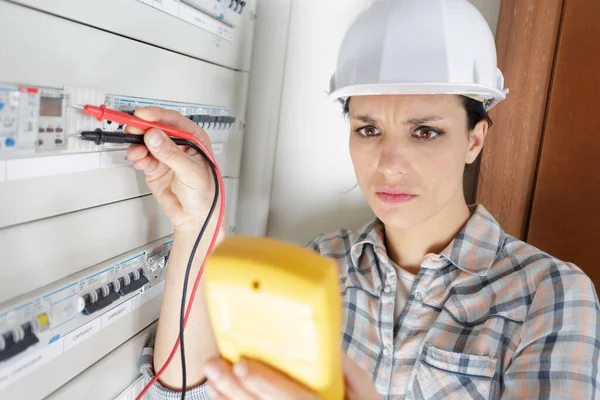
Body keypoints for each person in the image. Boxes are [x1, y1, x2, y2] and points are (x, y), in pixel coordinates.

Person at [131, 0, 600, 398]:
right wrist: (199, 225)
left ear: (474, 140)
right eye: (368, 129)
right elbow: (189, 385)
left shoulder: (548, 294)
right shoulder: (319, 267)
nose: (389, 163)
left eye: (425, 132)